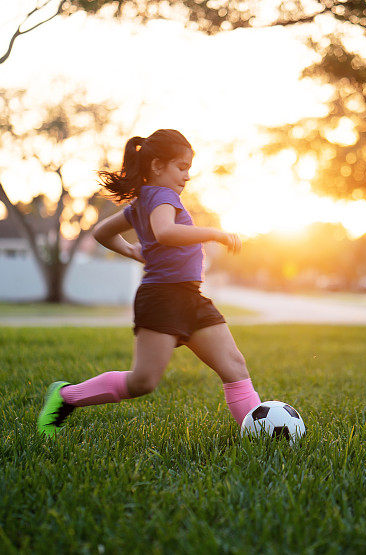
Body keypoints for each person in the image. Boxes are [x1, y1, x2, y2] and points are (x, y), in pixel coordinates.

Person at [37, 129, 261, 437]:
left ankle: (260, 436)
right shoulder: (163, 196)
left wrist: (131, 250)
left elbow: (102, 232)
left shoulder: (143, 202)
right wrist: (215, 233)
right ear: (157, 166)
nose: (186, 176)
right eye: (181, 167)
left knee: (234, 366)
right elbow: (166, 232)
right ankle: (66, 396)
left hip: (190, 297)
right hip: (163, 298)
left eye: (188, 170)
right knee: (143, 381)